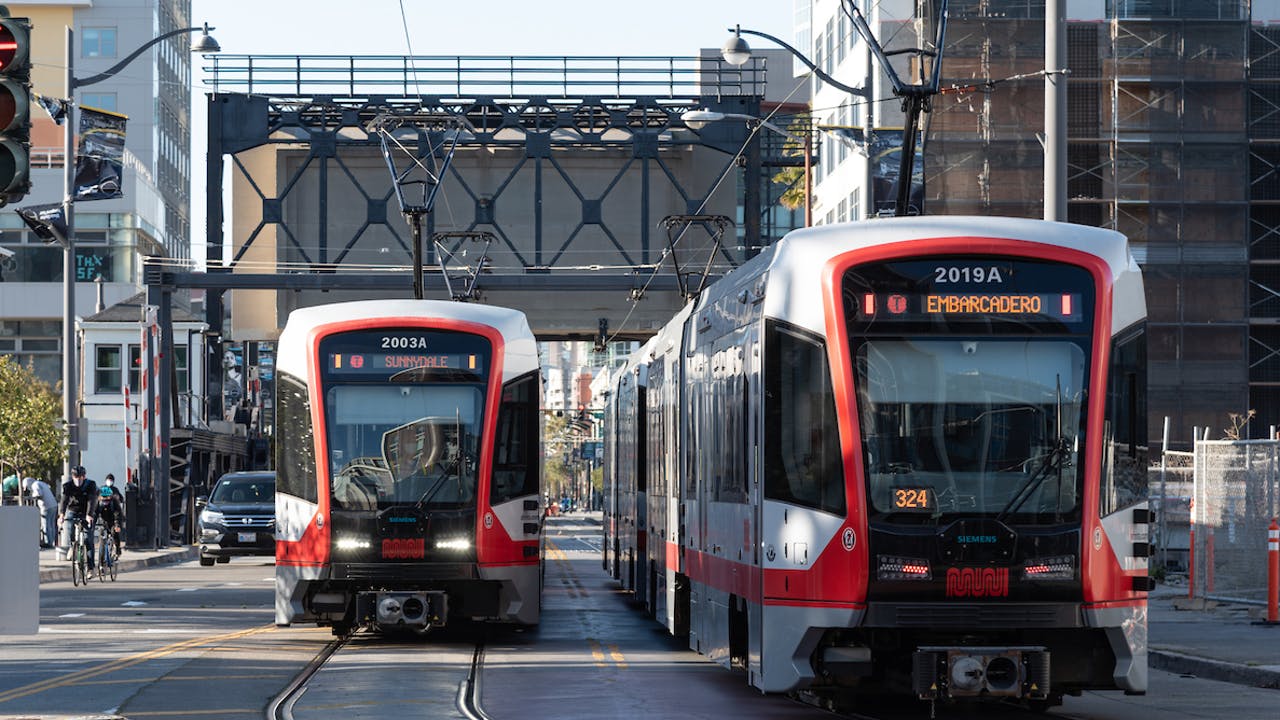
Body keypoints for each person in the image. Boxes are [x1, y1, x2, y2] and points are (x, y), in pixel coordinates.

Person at [57, 465, 98, 569]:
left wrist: (89, 515)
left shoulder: (90, 485)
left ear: (84, 476)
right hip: (73, 510)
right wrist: (61, 515)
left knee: (88, 539)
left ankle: (90, 567)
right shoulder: (68, 486)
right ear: (72, 476)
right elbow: (64, 500)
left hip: (86, 511)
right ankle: (72, 546)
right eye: (76, 476)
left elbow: (91, 501)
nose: (78, 479)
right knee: (69, 528)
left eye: (80, 476)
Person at [24, 477, 57, 549]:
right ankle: (52, 541)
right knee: (51, 524)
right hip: (53, 505)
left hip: (46, 506)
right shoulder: (41, 483)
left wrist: (32, 496)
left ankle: (48, 542)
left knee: (46, 525)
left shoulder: (35, 485)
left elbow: (39, 494)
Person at [97, 474, 124, 560]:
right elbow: (94, 513)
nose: (105, 501)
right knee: (102, 535)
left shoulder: (114, 501)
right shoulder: (99, 501)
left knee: (115, 533)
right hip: (103, 519)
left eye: (107, 499)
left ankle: (117, 549)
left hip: (113, 518)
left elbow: (118, 513)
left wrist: (117, 524)